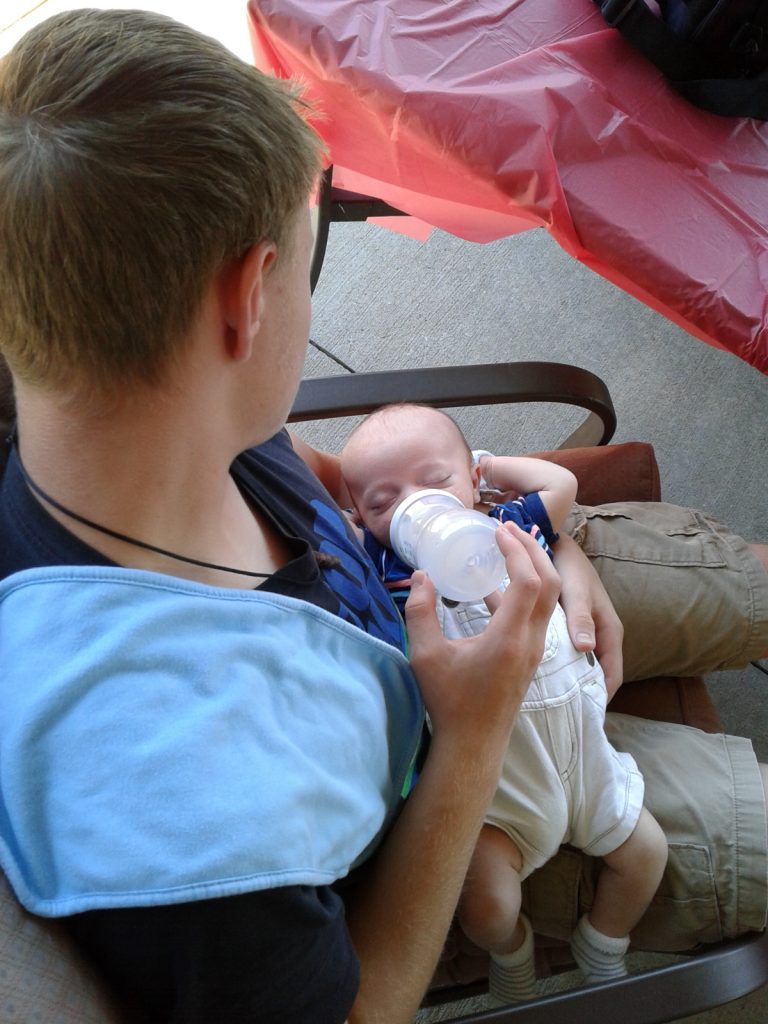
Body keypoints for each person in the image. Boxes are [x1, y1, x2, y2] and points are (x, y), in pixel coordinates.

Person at [0, 9, 765, 1024]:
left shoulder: (109, 418)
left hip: (432, 610)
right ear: (250, 297)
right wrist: (477, 732)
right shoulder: (186, 811)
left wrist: (561, 546)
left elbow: (302, 471)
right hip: (460, 807)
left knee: (735, 578)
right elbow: (360, 1011)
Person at [340, 402, 669, 1003]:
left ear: (471, 479)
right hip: (503, 792)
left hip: (588, 759)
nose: (416, 505)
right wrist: (364, 530)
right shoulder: (388, 570)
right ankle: (512, 956)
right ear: (360, 516)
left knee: (647, 854)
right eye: (384, 502)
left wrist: (491, 468)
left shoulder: (511, 528)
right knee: (485, 904)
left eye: (436, 481)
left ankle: (603, 944)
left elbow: (561, 484)